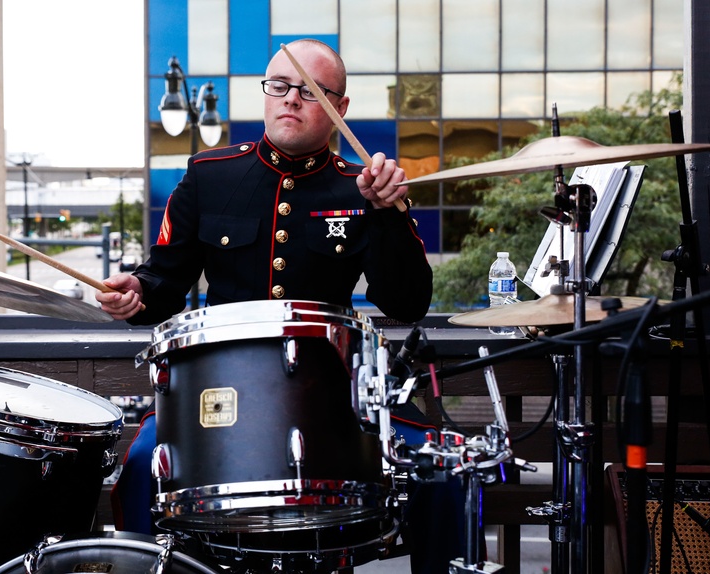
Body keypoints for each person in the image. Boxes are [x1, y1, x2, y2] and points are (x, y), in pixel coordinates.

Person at [97, 39, 461, 573]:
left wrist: (387, 214)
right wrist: (136, 294)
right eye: (278, 86)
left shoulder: (361, 187)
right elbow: (163, 282)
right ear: (265, 95)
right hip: (218, 397)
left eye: (309, 91)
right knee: (139, 465)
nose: (290, 99)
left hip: (335, 394)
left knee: (442, 467)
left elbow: (408, 302)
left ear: (339, 108)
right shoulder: (209, 174)